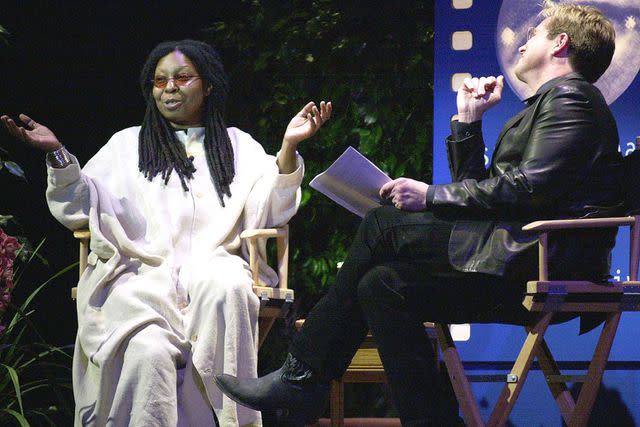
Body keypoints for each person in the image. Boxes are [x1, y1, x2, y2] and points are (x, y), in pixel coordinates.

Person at [214, 3, 623, 426]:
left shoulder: (571, 99)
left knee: (381, 226)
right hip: (515, 253)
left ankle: (302, 376)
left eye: (536, 32)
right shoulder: (548, 105)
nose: (524, 41)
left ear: (560, 44)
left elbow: (526, 189)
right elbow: (489, 200)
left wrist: (429, 195)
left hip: (537, 260)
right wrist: (468, 122)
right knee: (381, 285)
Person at [2, 39, 331, 427]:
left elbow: (272, 209)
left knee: (226, 286)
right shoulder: (127, 146)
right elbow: (78, 206)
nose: (170, 87)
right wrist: (56, 153)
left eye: (182, 77)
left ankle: (234, 421)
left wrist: (289, 147)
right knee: (146, 352)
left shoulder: (236, 147)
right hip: (140, 279)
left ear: (207, 85)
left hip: (214, 269)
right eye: (160, 81)